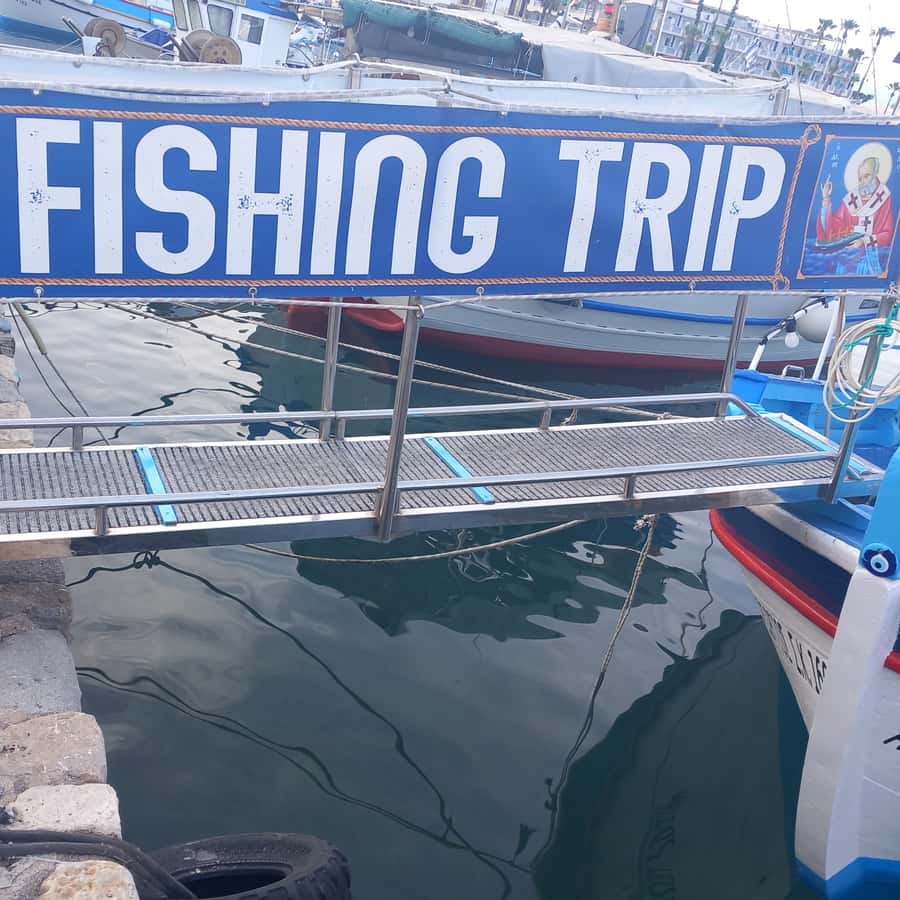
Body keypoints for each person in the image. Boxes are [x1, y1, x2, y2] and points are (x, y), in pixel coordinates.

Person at [817, 156, 894, 252]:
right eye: (860, 179)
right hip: (848, 254)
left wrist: (863, 242)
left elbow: (887, 234)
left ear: (875, 174)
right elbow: (834, 228)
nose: (863, 182)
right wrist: (826, 199)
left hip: (871, 254)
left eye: (867, 176)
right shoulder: (851, 199)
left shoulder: (883, 197)